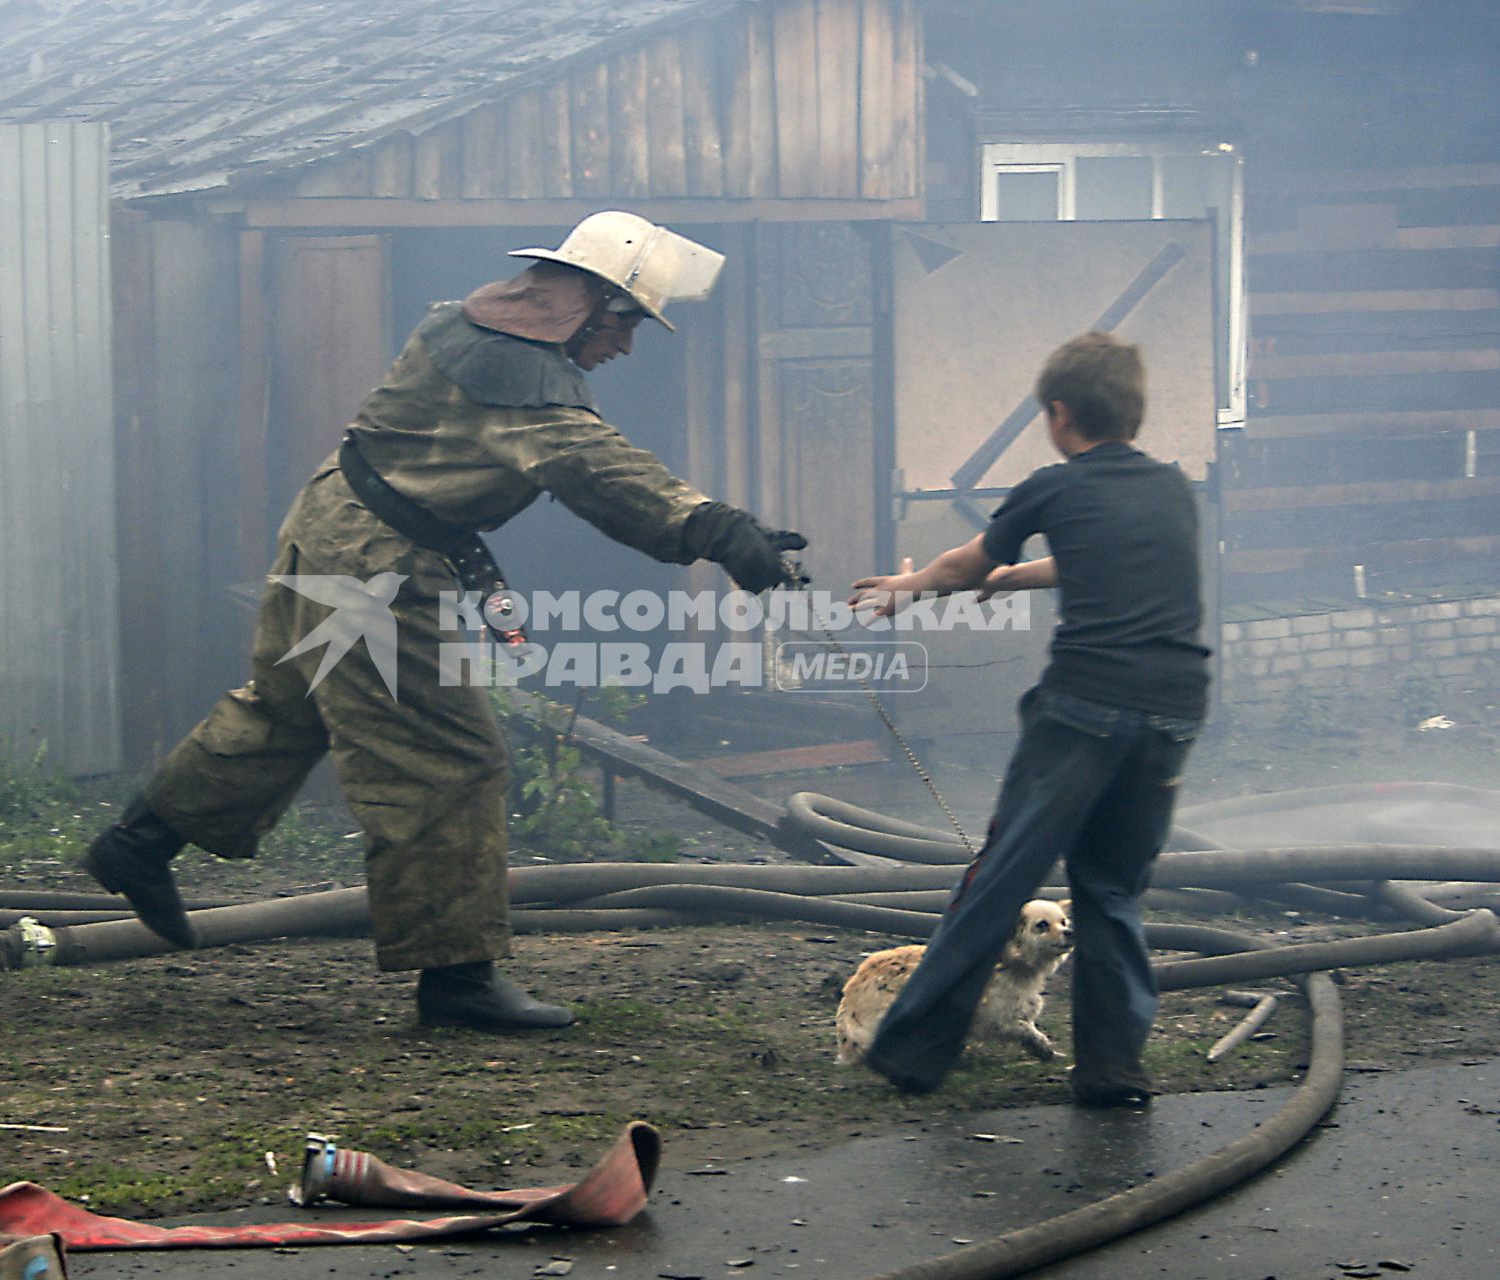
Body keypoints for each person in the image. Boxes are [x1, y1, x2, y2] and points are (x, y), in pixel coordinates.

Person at [84, 211, 806, 1031]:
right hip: (371, 569)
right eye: (628, 322)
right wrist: (716, 528)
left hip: (330, 528)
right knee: (448, 759)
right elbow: (594, 467)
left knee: (284, 712)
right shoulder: (516, 374)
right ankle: (457, 979)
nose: (628, 346)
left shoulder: (467, 329)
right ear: (590, 303)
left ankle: (138, 844)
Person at [848, 330, 1208, 1104]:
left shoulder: (1055, 484)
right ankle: (1112, 1069)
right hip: (1173, 713)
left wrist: (903, 590)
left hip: (1084, 710)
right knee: (1110, 890)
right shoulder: (1172, 488)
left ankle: (911, 1049)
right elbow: (1094, 558)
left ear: (1057, 411)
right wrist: (1020, 578)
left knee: (999, 877)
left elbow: (959, 565)